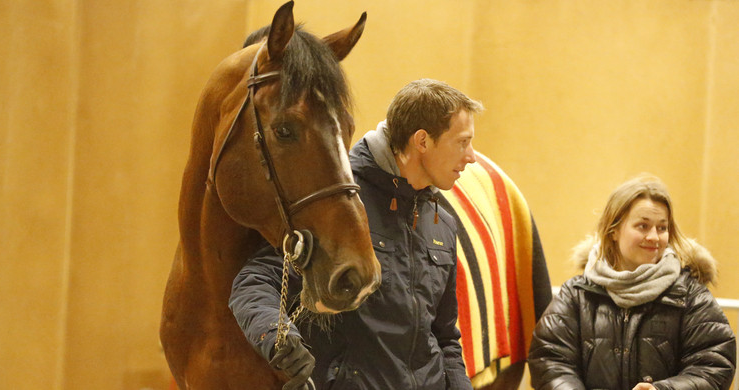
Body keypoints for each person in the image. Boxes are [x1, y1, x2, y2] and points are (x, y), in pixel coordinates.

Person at [229, 79, 483, 389]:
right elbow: (255, 280)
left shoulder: (441, 220)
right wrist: (279, 338)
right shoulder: (336, 203)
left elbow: (444, 336)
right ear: (422, 141)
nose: (471, 155)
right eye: (462, 141)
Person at [528, 175, 736, 390]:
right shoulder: (576, 294)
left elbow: (714, 365)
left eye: (662, 228)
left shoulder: (691, 296)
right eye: (643, 226)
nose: (654, 237)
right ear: (614, 231)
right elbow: (549, 361)